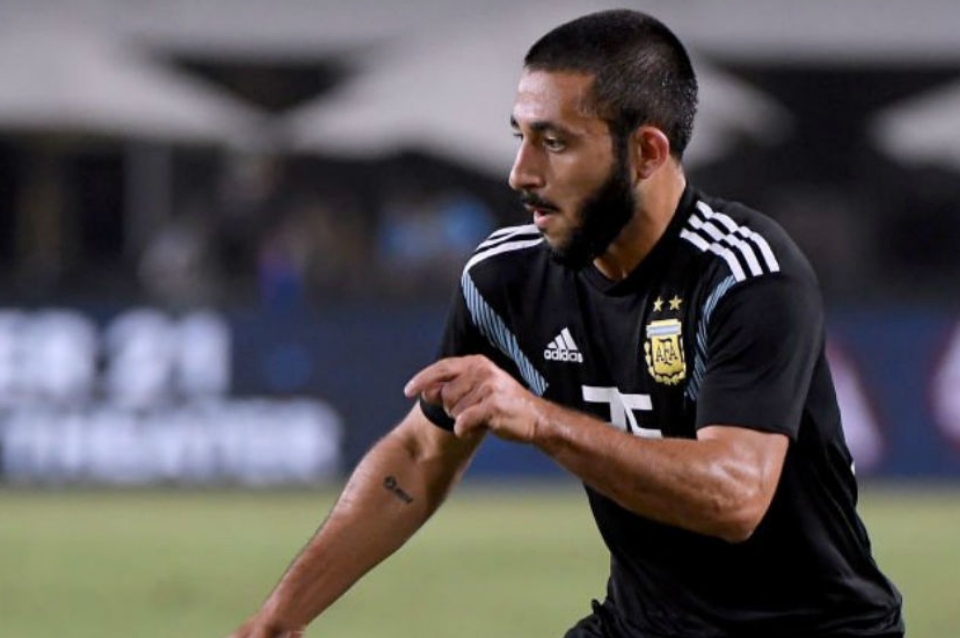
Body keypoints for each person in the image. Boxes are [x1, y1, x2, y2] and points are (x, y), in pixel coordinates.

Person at [228, 9, 904, 638]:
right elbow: (419, 456)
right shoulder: (504, 279)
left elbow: (734, 497)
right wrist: (277, 619)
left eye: (554, 142)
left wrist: (542, 420)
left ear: (646, 152)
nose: (520, 173)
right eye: (520, 137)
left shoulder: (744, 274)